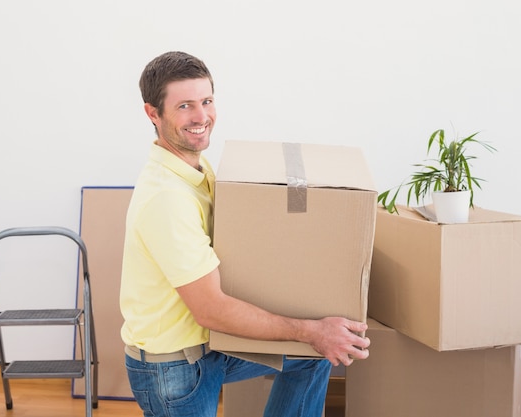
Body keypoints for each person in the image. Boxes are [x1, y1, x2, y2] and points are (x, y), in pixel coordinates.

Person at [119, 51, 370, 417]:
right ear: (153, 114)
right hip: (174, 369)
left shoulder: (195, 168)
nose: (202, 117)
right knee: (311, 340)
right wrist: (310, 329)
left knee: (311, 356)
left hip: (209, 348)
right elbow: (211, 310)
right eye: (185, 106)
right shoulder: (166, 199)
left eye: (206, 101)